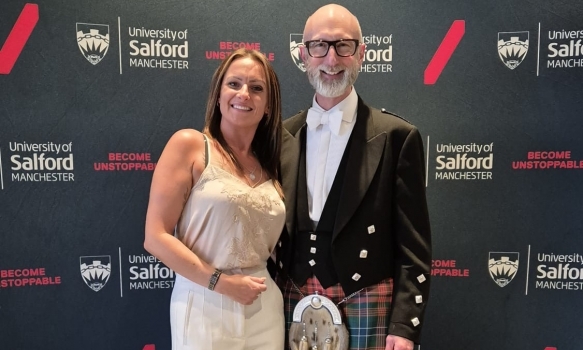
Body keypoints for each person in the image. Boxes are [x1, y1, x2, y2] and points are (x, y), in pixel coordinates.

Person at [274, 4, 432, 350]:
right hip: (291, 297)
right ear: (303, 54)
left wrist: (405, 326)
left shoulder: (396, 136)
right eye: (319, 46)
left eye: (343, 46)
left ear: (361, 53)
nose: (331, 60)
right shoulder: (283, 135)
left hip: (366, 296)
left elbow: (414, 247)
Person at [144, 48, 285, 350]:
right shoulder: (190, 145)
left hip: (264, 308)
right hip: (203, 301)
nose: (244, 94)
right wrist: (221, 283)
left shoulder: (272, 164)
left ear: (268, 105)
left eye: (256, 88)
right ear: (218, 95)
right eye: (234, 84)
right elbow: (155, 237)